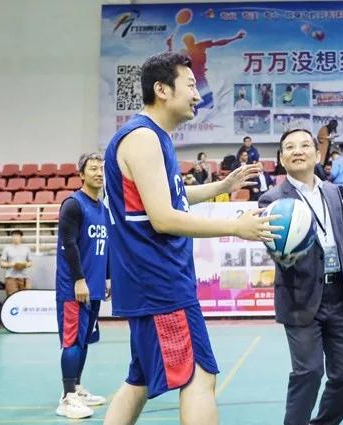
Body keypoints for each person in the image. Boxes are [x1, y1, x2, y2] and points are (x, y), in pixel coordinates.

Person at [102, 52, 280, 425]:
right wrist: (235, 227)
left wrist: (220, 187)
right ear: (162, 89)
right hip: (160, 283)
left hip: (149, 283)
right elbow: (164, 218)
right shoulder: (143, 138)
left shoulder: (152, 137)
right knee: (200, 376)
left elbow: (170, 196)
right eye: (190, 85)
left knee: (138, 380)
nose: (198, 94)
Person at [259, 128, 343, 425]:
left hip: (338, 295)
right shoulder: (271, 199)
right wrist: (283, 256)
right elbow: (274, 247)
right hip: (300, 297)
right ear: (282, 158)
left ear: (317, 154)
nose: (298, 151)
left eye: (305, 145)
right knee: (308, 372)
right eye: (290, 147)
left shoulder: (331, 191)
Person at [54, 153, 109, 419]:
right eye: (93, 169)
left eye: (101, 169)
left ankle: (76, 388)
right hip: (74, 286)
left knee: (84, 340)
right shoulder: (73, 205)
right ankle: (67, 398)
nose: (99, 173)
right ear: (81, 175)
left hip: (94, 286)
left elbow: (105, 247)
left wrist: (106, 277)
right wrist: (78, 279)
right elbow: (69, 244)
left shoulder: (103, 209)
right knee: (73, 340)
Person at [168, 30, 245, 110]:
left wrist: (235, 38)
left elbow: (219, 43)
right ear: (185, 43)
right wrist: (170, 46)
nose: (189, 43)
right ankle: (190, 108)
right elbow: (172, 60)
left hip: (200, 79)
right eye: (187, 42)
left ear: (193, 41)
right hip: (190, 80)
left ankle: (193, 108)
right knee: (207, 102)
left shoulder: (200, 46)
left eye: (190, 41)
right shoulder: (184, 52)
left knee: (210, 103)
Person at [0, 230, 32, 296]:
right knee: (12, 297)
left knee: (25, 297)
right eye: (13, 236)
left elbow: (30, 262)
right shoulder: (7, 248)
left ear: (21, 237)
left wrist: (24, 265)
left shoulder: (26, 248)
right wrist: (12, 265)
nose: (15, 237)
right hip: (10, 277)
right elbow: (2, 264)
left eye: (17, 236)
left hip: (24, 277)